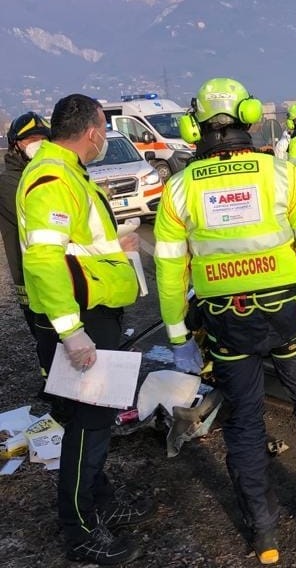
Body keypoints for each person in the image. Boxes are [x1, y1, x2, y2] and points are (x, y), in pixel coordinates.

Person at [154, 77, 296, 565]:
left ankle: (264, 537)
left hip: (226, 324)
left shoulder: (178, 189)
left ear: (192, 125)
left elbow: (168, 271)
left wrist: (179, 336)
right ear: (249, 115)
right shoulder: (281, 176)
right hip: (288, 316)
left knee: (244, 421)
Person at [17, 94, 154, 565]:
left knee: (92, 419)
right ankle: (77, 529)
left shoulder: (65, 174)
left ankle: (98, 503)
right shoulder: (53, 179)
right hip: (80, 319)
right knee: (87, 424)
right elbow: (43, 260)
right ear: (94, 132)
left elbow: (73, 246)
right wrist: (72, 332)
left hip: (90, 312)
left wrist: (115, 244)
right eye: (103, 132)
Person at [0, 112, 52, 368]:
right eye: (31, 138)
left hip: (51, 269)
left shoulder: (40, 173)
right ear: (16, 144)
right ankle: (54, 390)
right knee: (45, 334)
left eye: (43, 138)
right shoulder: (9, 182)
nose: (38, 143)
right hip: (28, 275)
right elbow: (37, 218)